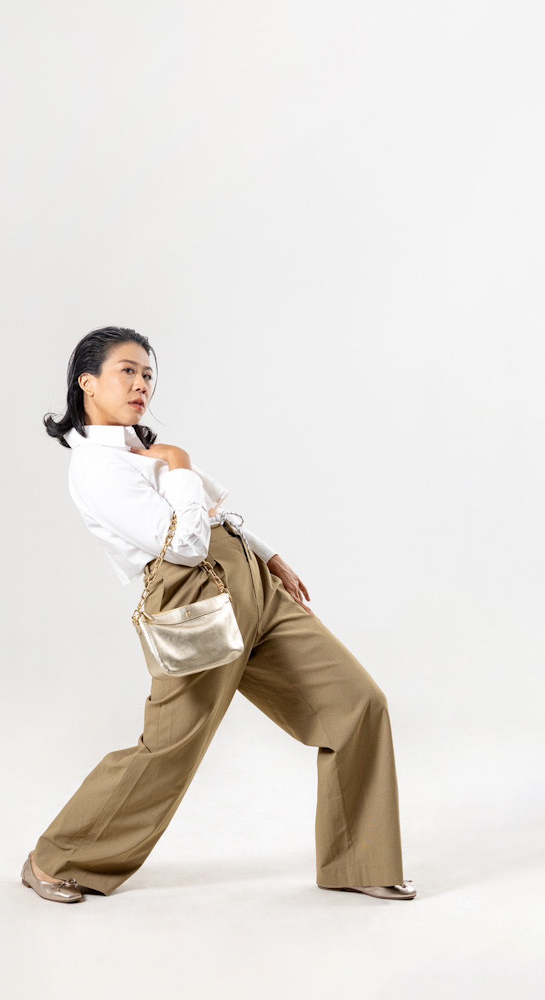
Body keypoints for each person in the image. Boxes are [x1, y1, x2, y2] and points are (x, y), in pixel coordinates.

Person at [21, 326, 417, 903]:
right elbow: (182, 545)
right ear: (87, 382)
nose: (141, 384)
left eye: (148, 374)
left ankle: (360, 861)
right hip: (194, 599)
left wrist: (267, 555)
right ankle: (55, 858)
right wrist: (180, 464)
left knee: (357, 703)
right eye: (127, 371)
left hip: (254, 587)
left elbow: (208, 518)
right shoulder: (97, 467)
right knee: (170, 746)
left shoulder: (138, 451)